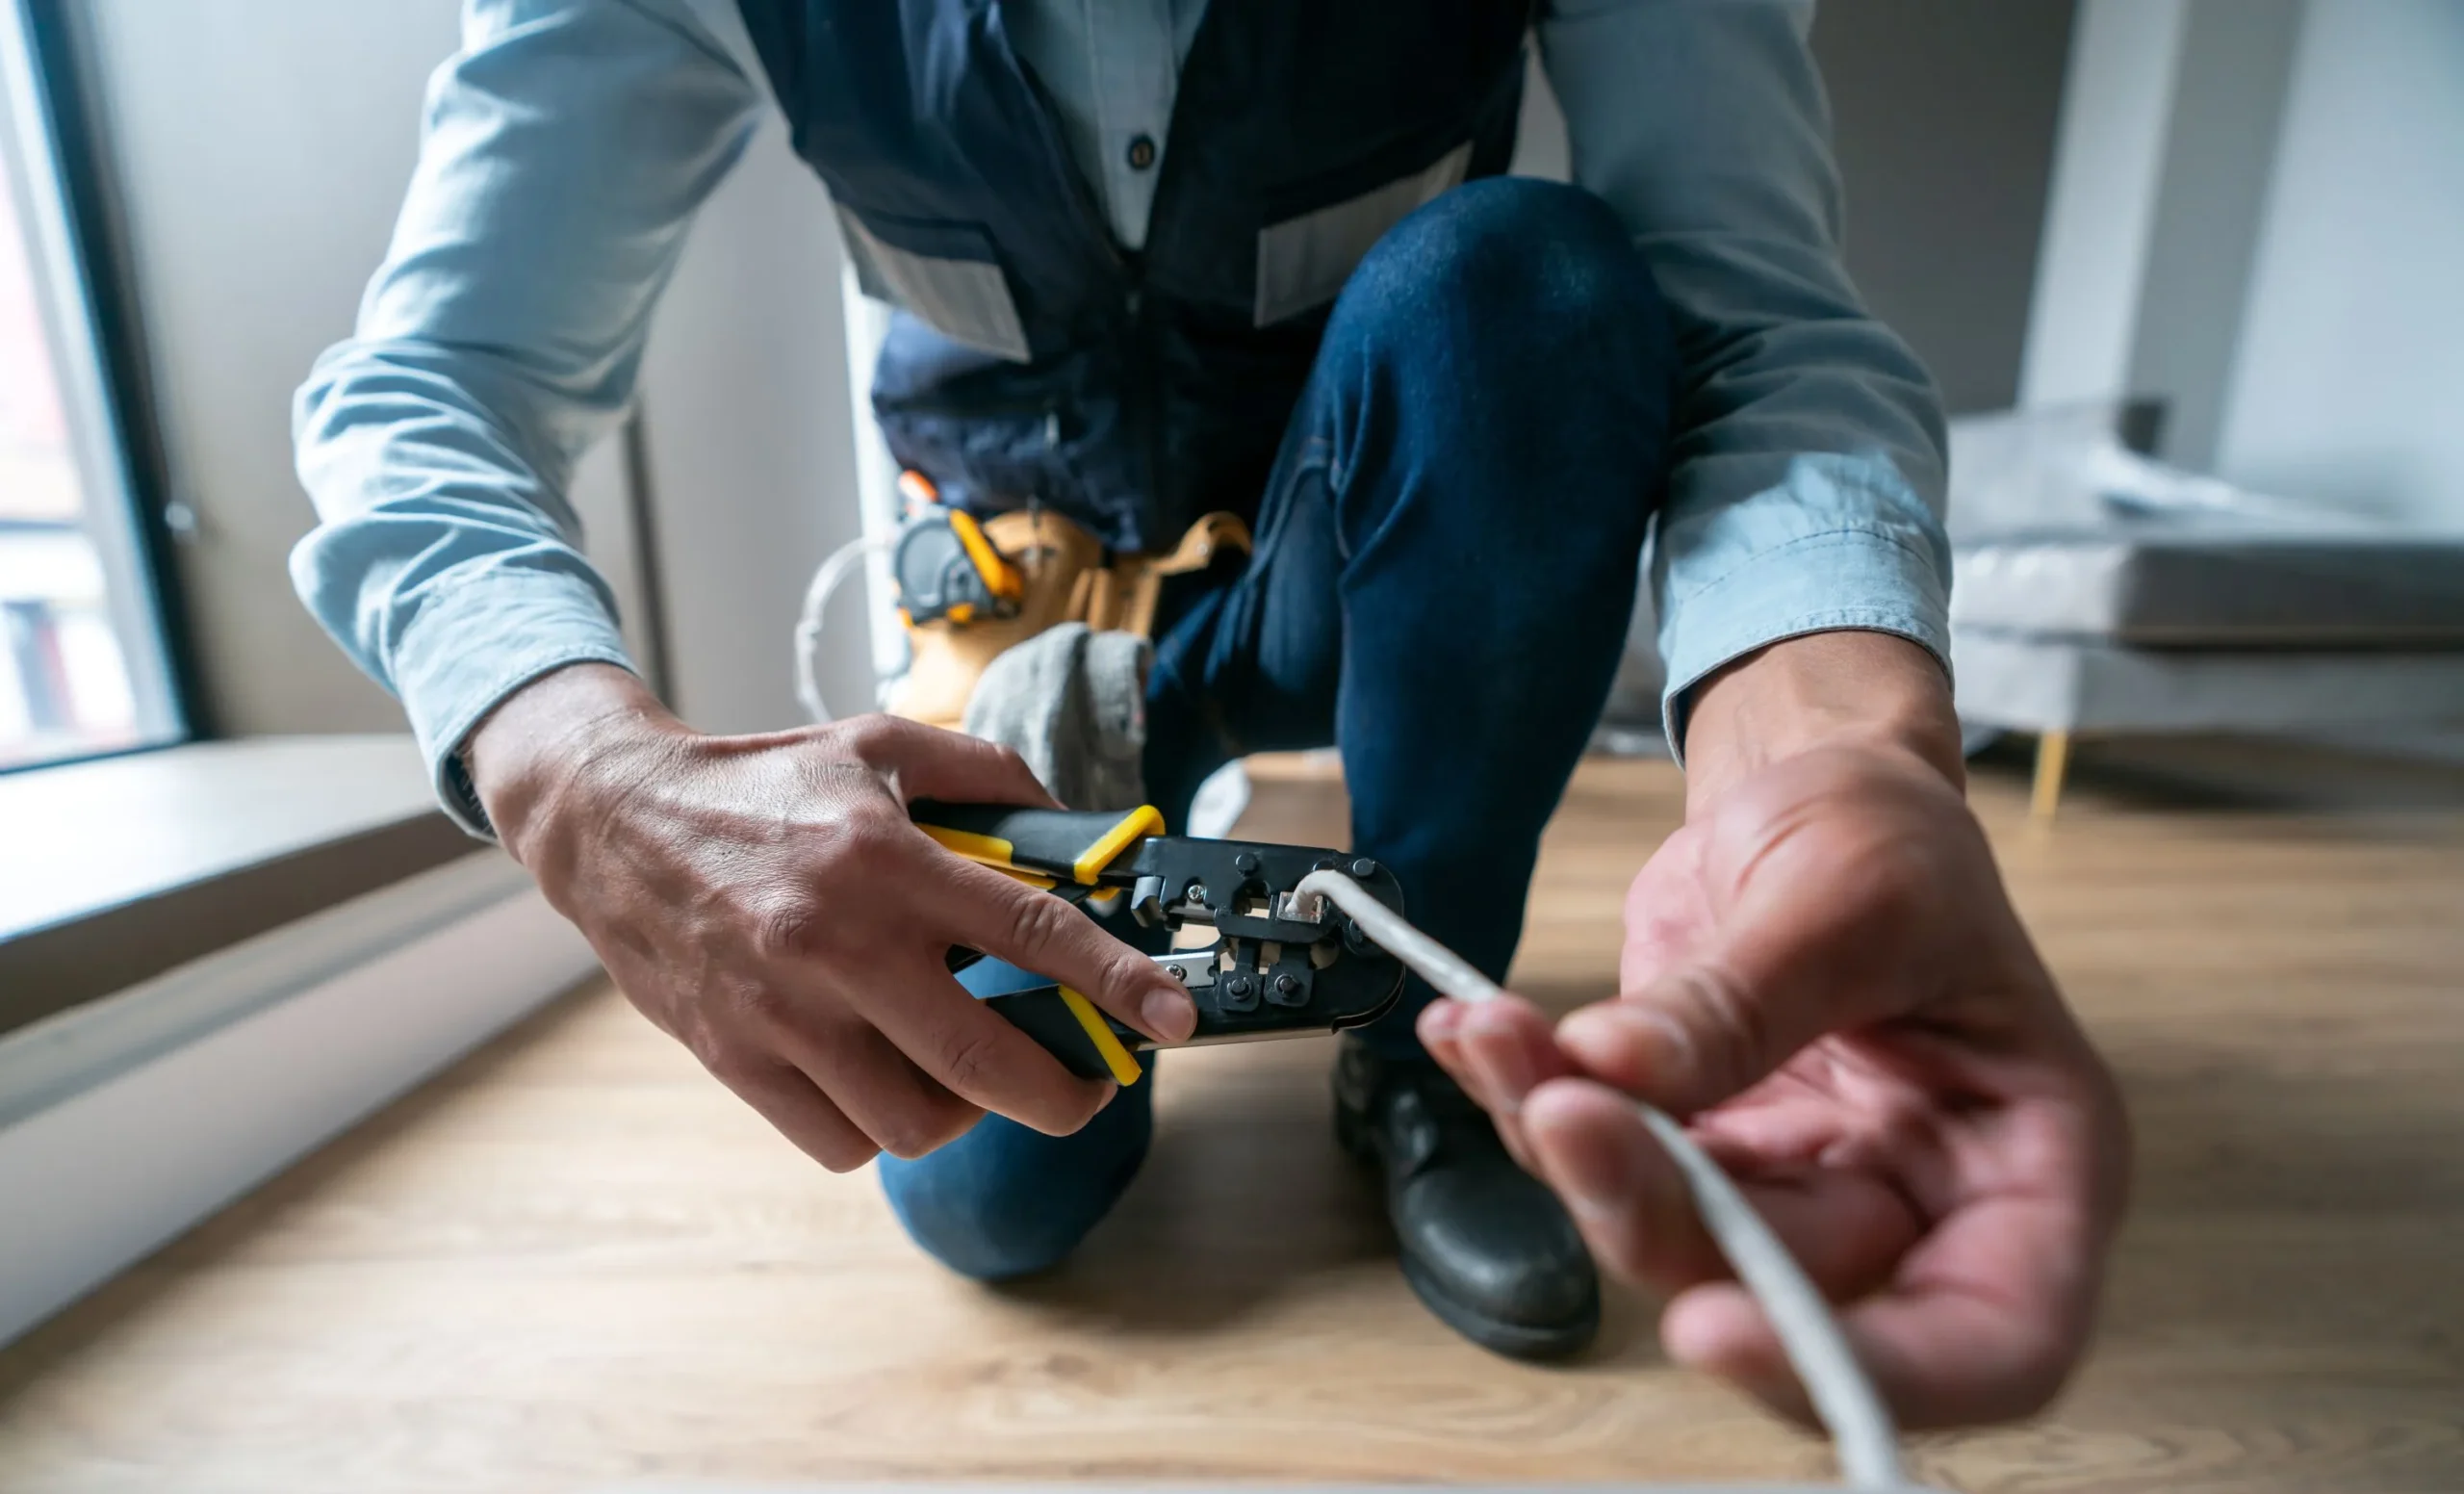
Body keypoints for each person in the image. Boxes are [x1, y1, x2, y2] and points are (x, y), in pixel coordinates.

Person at [294, 0, 2126, 1412]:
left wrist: (1837, 770)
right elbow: (431, 383)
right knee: (1000, 1205)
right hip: (1017, 646)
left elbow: (1757, 325)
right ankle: (1168, 981)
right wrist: (579, 769)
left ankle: (1424, 1054)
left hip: (1335, 563)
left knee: (1533, 285)